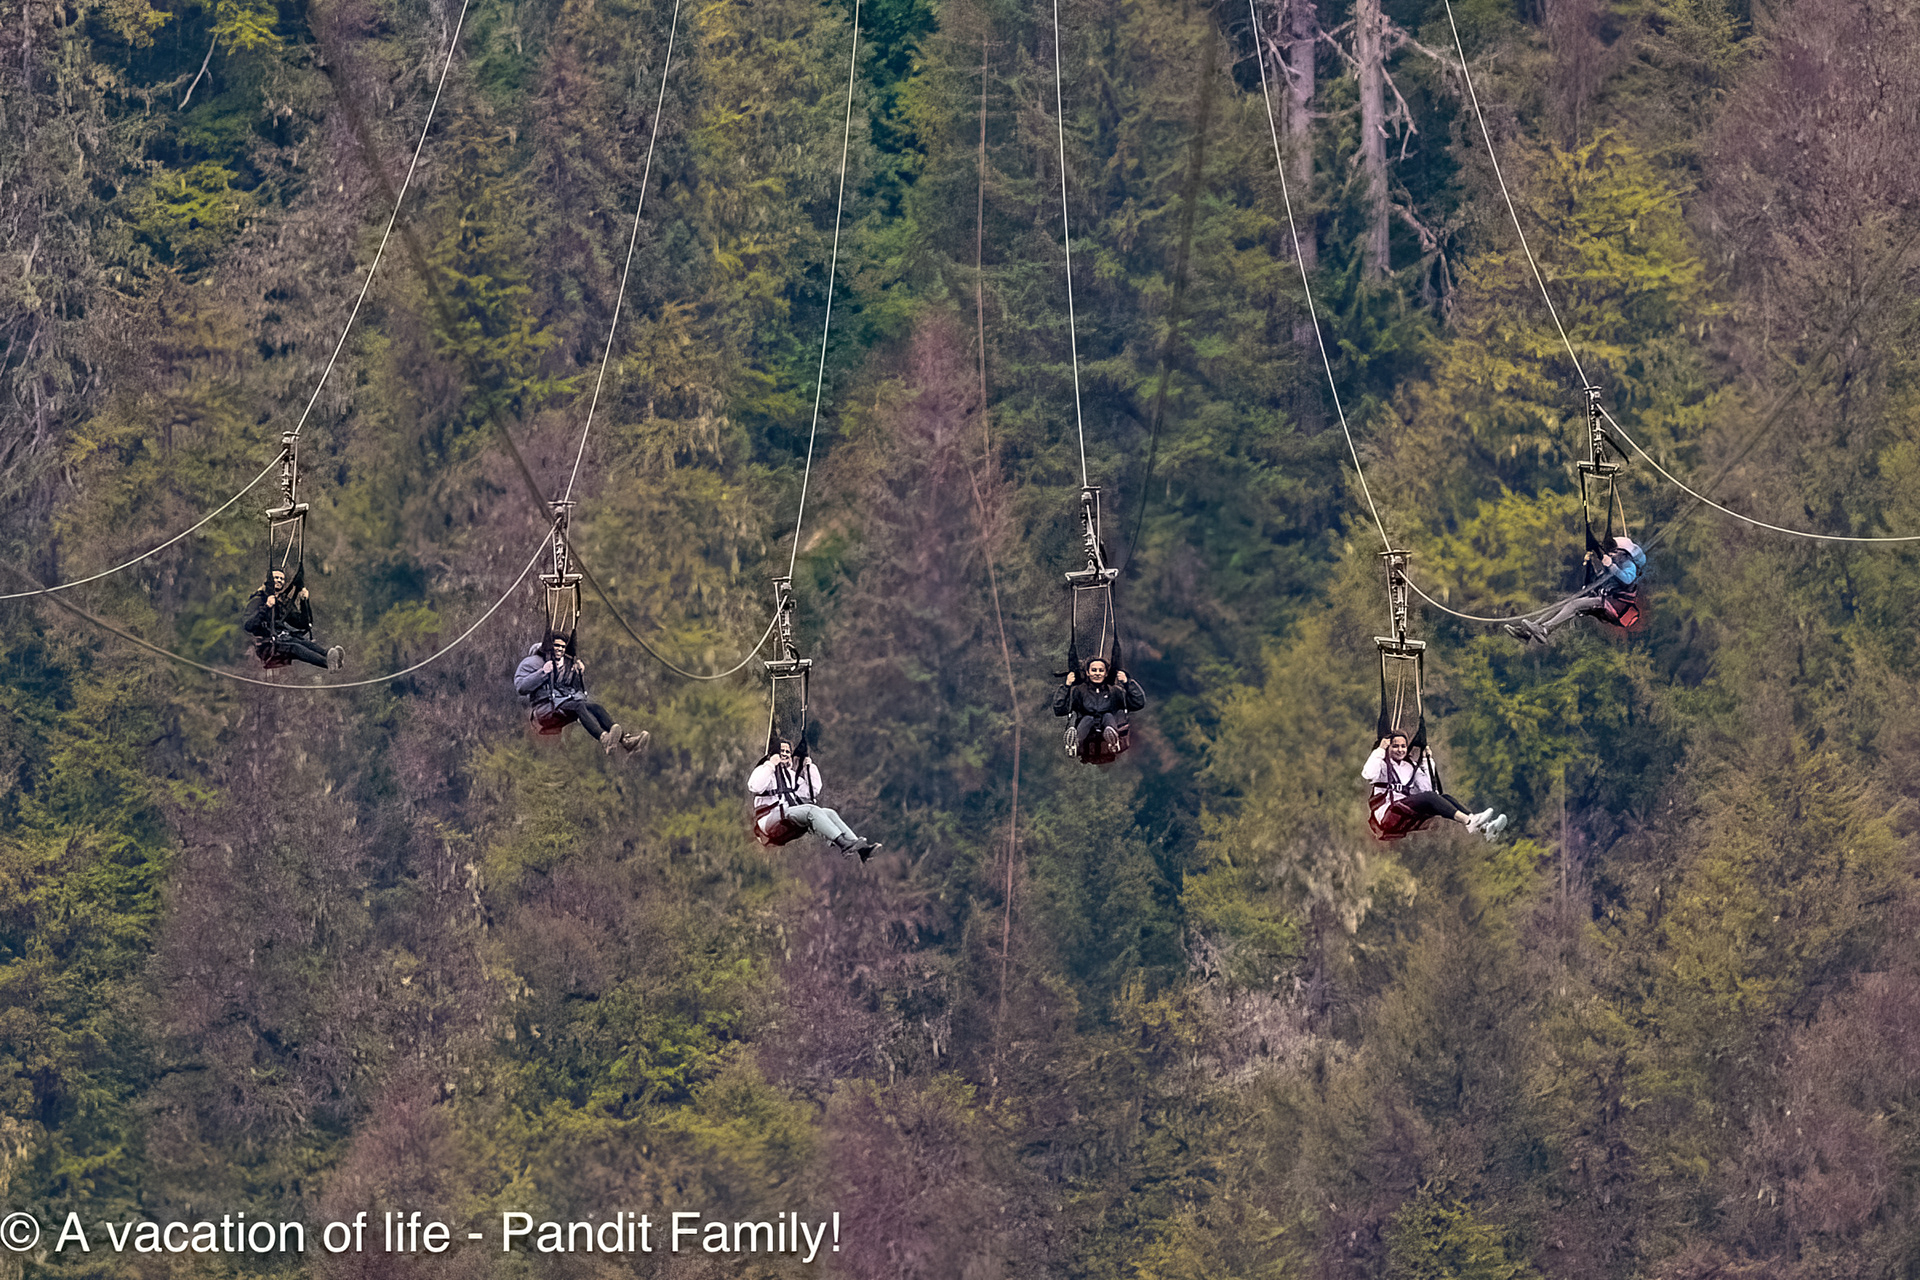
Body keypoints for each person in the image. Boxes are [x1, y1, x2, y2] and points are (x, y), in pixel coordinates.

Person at [1362, 729, 1508, 841]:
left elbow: (1427, 789)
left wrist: (1427, 760)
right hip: (1389, 814)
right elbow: (1368, 774)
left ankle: (1484, 828)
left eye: (1403, 746)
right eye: (1395, 746)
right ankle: (1469, 821)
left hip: (1405, 812)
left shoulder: (1409, 766)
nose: (1400, 750)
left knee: (1445, 797)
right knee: (1430, 797)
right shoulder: (1382, 764)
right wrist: (1380, 749)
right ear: (1388, 747)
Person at [512, 635, 649, 755]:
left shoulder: (560, 665)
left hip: (559, 706)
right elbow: (521, 687)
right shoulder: (530, 663)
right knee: (578, 706)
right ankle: (604, 739)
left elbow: (570, 691)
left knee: (595, 707)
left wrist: (578, 674)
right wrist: (542, 672)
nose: (559, 650)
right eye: (556, 646)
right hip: (543, 711)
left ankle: (625, 741)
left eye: (562, 647)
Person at [748, 738, 880, 861]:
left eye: (788, 752)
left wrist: (808, 766)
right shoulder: (764, 770)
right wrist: (771, 764)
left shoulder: (790, 776)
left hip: (787, 817)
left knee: (829, 813)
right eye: (782, 751)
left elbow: (812, 791)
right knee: (811, 810)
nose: (785, 754)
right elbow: (754, 786)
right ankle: (844, 844)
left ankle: (862, 850)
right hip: (770, 820)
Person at [1505, 535, 1646, 645]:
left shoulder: (1629, 565)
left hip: (1614, 606)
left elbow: (1627, 579)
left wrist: (1611, 565)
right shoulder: (1612, 567)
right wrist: (1590, 563)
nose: (1611, 553)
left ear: (1623, 552)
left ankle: (1545, 629)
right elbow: (1593, 584)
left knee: (1574, 605)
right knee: (1563, 604)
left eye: (1615, 551)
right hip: (1604, 601)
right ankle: (1529, 632)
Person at [242, 568, 343, 670]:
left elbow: (302, 623)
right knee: (296, 647)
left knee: (304, 643)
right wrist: (266, 606)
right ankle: (327, 663)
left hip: (283, 640)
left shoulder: (282, 603)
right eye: (276, 578)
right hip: (267, 646)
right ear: (269, 580)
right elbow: (248, 626)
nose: (279, 580)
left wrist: (304, 601)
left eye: (282, 579)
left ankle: (330, 656)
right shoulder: (258, 601)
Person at [1052, 658, 1146, 756]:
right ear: (1087, 672)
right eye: (1094, 670)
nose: (1097, 673)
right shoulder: (1079, 691)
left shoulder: (1115, 691)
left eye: (1101, 670)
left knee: (1108, 716)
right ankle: (1074, 743)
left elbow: (1138, 703)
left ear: (1106, 673)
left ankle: (1114, 741)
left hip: (1108, 725)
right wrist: (1066, 686)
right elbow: (1059, 709)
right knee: (1088, 718)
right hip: (1086, 727)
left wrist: (1127, 682)